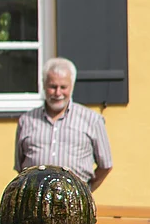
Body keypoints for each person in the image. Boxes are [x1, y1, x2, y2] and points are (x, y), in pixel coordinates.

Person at [15, 57, 113, 190]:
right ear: (43, 85)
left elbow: (105, 165)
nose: (58, 93)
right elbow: (20, 167)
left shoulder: (92, 120)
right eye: (53, 87)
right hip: (35, 203)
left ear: (72, 86)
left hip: (74, 203)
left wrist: (85, 191)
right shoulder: (26, 121)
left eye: (63, 87)